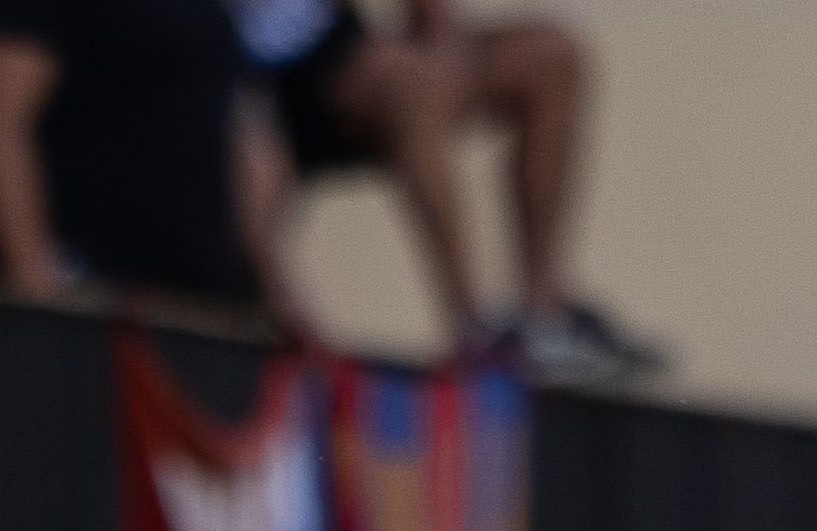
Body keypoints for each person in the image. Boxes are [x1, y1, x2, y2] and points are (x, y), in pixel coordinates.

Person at [239, 0, 649, 378]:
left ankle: (543, 322)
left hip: (334, 50)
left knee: (550, 55)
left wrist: (437, 32)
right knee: (411, 84)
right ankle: (473, 328)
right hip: (249, 86)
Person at [0, 0, 297, 324]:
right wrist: (34, 289)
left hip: (196, 309)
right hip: (83, 303)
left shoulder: (214, 12)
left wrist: (273, 282)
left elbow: (245, 133)